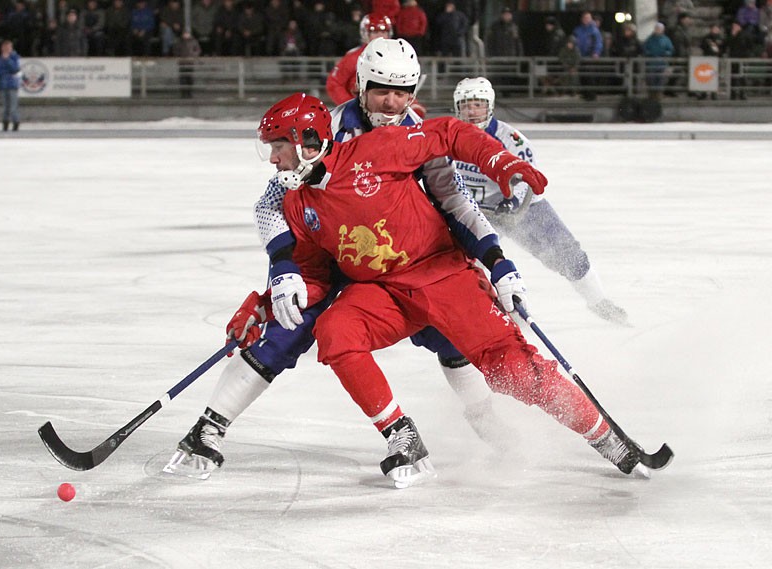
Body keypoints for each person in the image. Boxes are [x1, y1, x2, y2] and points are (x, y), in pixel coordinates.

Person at [166, 38, 520, 481]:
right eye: (380, 91)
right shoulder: (327, 128)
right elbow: (270, 203)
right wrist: (283, 270)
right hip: (330, 254)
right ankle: (209, 429)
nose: (392, 103)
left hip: (402, 256)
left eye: (403, 91)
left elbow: (455, 202)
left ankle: (483, 418)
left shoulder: (418, 132)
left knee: (449, 330)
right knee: (285, 325)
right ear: (360, 85)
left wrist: (496, 258)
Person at [257, 92, 645, 486]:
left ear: (308, 140)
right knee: (336, 331)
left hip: (443, 275)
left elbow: (447, 132)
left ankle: (606, 439)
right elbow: (313, 275)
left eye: (279, 147)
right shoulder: (296, 203)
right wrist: (265, 302)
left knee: (514, 370)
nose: (273, 159)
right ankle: (402, 436)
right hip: (382, 292)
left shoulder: (377, 148)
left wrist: (501, 162)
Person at [451, 77, 627, 324]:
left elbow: (528, 178)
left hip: (521, 209)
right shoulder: (449, 136)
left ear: (490, 106)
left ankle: (598, 300)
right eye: (466, 105)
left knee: (568, 255)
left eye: (478, 104)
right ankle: (467, 316)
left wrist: (512, 202)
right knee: (459, 267)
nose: (472, 111)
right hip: (474, 211)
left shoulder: (512, 139)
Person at [325, 13, 392, 106]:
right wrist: (349, 105)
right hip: (360, 113)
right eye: (375, 32)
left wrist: (414, 107)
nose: (380, 36)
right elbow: (334, 83)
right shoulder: (354, 57)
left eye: (384, 32)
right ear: (365, 34)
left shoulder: (396, 56)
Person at [0, 39, 20, 132]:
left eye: (8, 47)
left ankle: (16, 123)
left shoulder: (15, 57)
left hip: (12, 84)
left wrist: (7, 60)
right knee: (5, 107)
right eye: (5, 47)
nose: (7, 49)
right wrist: (5, 71)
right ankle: (5, 124)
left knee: (13, 106)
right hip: (3, 85)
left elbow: (15, 69)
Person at [172, 30, 201, 99]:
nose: (186, 35)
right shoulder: (179, 42)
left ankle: (189, 92)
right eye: (185, 34)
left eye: (187, 34)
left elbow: (198, 50)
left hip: (190, 62)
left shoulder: (194, 41)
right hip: (182, 62)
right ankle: (183, 92)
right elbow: (175, 50)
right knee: (182, 78)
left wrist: (193, 56)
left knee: (190, 78)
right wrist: (180, 57)